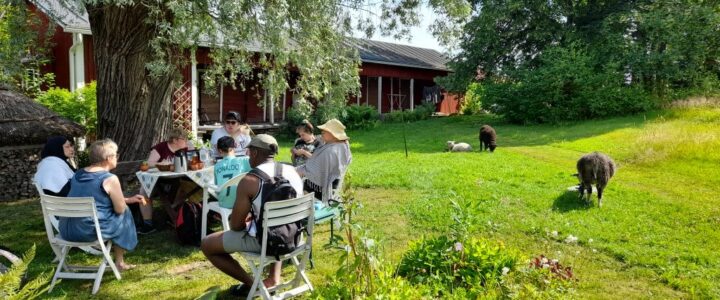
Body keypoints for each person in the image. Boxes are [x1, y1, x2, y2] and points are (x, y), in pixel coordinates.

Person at [201, 134, 304, 297]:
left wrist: (249, 223)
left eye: (248, 151)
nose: (247, 155)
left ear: (254, 153)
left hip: (266, 242)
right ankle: (273, 278)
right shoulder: (292, 171)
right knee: (274, 224)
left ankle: (254, 284)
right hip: (294, 236)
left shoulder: (250, 180)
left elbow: (235, 226)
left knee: (207, 244)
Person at [58, 139, 144, 271]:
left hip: (67, 230)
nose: (117, 157)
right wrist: (124, 203)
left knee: (122, 207)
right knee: (124, 211)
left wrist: (126, 199)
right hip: (89, 232)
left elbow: (93, 199)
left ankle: (119, 261)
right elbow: (119, 209)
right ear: (109, 158)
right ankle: (119, 262)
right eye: (116, 155)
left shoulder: (77, 174)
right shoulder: (109, 179)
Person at [137, 127, 189, 234]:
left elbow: (193, 159)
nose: (186, 141)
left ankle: (174, 214)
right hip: (160, 181)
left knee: (190, 187)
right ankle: (148, 224)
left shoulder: (186, 148)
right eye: (184, 139)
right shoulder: (161, 147)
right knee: (144, 191)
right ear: (175, 140)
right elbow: (149, 163)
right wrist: (159, 164)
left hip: (179, 180)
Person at [296, 118, 352, 202]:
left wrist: (301, 170)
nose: (321, 133)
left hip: (322, 189)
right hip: (334, 183)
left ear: (332, 134)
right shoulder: (343, 145)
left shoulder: (330, 151)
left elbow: (316, 172)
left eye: (324, 131)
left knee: (293, 179)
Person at [213, 136, 251, 208]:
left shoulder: (216, 166)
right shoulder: (244, 161)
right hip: (241, 203)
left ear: (220, 151)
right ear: (234, 147)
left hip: (223, 203)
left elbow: (217, 187)